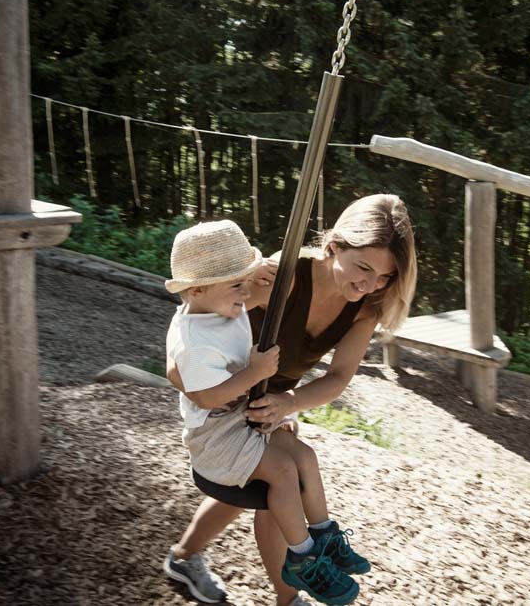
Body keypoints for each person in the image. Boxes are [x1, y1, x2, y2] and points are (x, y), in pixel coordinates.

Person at [163, 195, 418, 606]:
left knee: (272, 485)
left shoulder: (364, 308)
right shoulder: (286, 274)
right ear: (335, 245)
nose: (370, 285)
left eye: (385, 277)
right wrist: (180, 374)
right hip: (228, 399)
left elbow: (337, 379)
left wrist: (288, 403)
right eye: (364, 268)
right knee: (278, 488)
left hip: (273, 404)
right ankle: (289, 596)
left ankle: (186, 557)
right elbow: (198, 312)